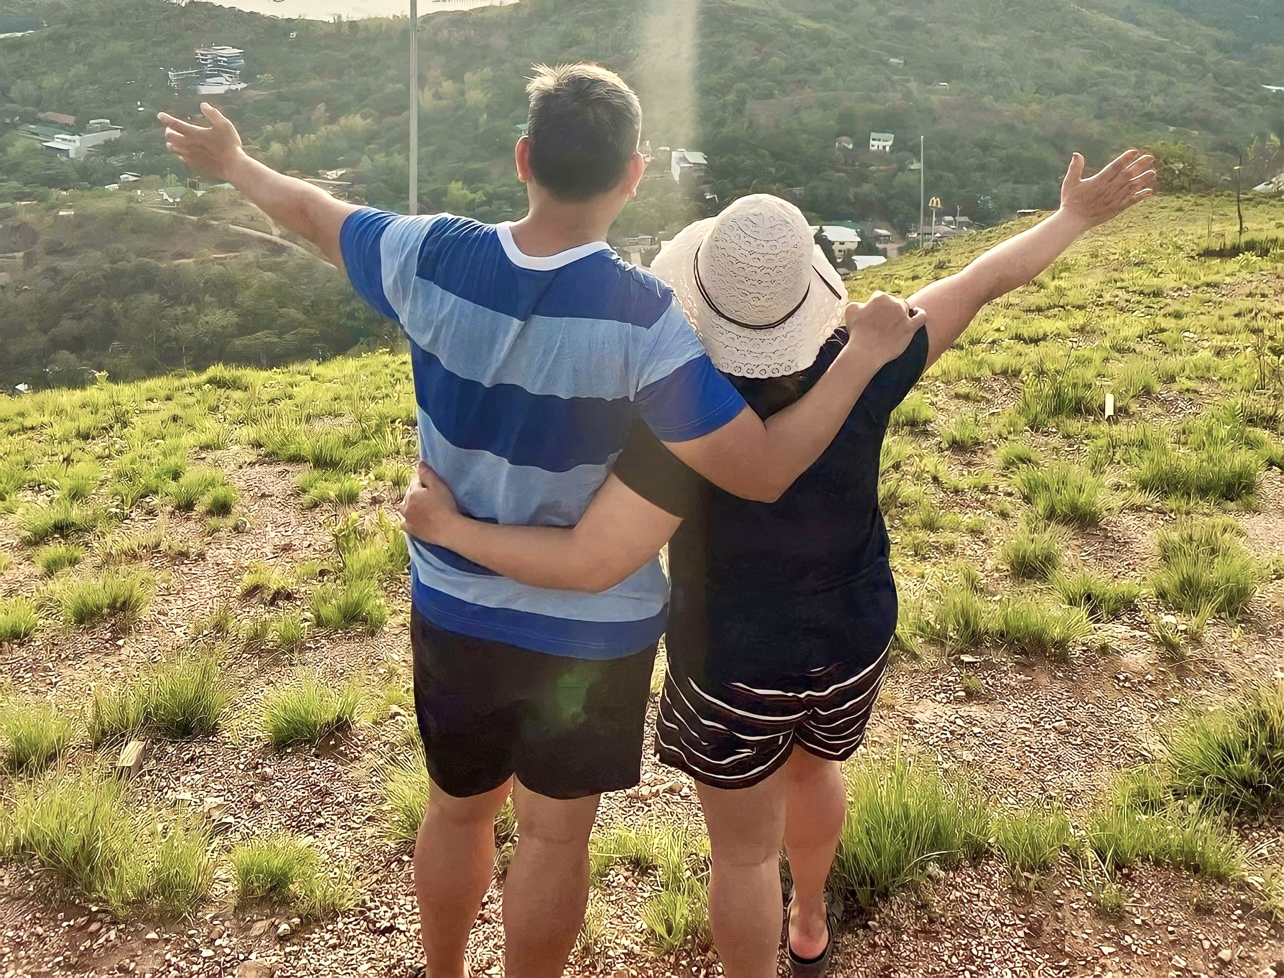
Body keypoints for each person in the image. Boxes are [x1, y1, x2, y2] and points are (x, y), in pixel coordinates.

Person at [157, 63, 923, 978]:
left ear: (524, 158)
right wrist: (859, 361)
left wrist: (238, 164)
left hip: (455, 610)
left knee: (455, 810)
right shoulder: (648, 320)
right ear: (633, 175)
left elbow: (316, 214)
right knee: (555, 841)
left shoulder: (429, 254)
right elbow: (758, 471)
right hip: (589, 643)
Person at [404, 149, 1155, 978]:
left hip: (733, 658)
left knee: (742, 856)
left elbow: (596, 538)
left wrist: (451, 523)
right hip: (853, 633)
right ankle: (809, 923)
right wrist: (1072, 218)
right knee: (816, 768)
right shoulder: (866, 362)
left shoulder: (677, 402)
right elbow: (979, 281)